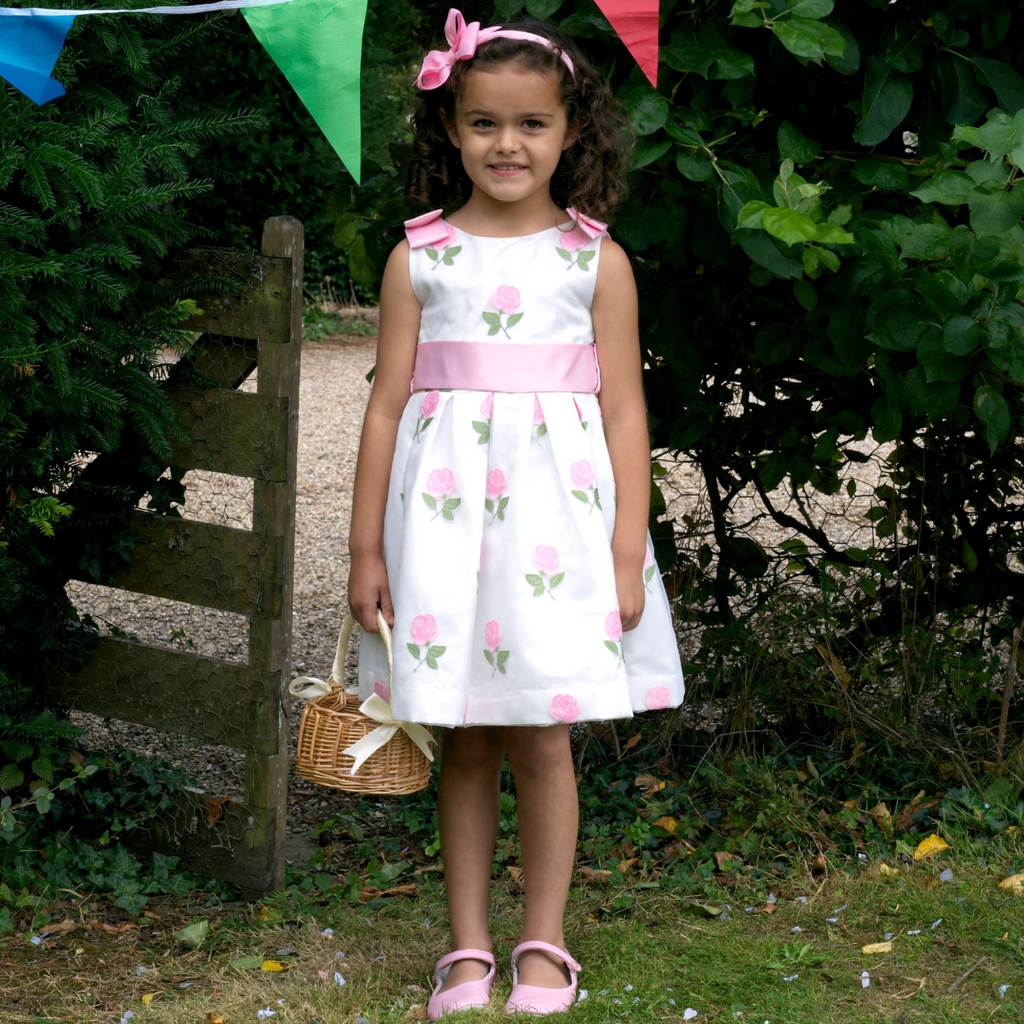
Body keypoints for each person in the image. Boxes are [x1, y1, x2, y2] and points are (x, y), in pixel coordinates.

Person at [347, 9, 685, 1017]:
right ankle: (467, 948)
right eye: (484, 122)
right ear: (450, 129)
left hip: (556, 539)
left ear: (571, 131)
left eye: (532, 123)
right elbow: (384, 407)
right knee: (464, 737)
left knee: (542, 736)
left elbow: (625, 413)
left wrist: (625, 552)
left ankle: (545, 940)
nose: (507, 144)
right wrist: (365, 550)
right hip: (443, 538)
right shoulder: (420, 259)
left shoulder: (594, 262)